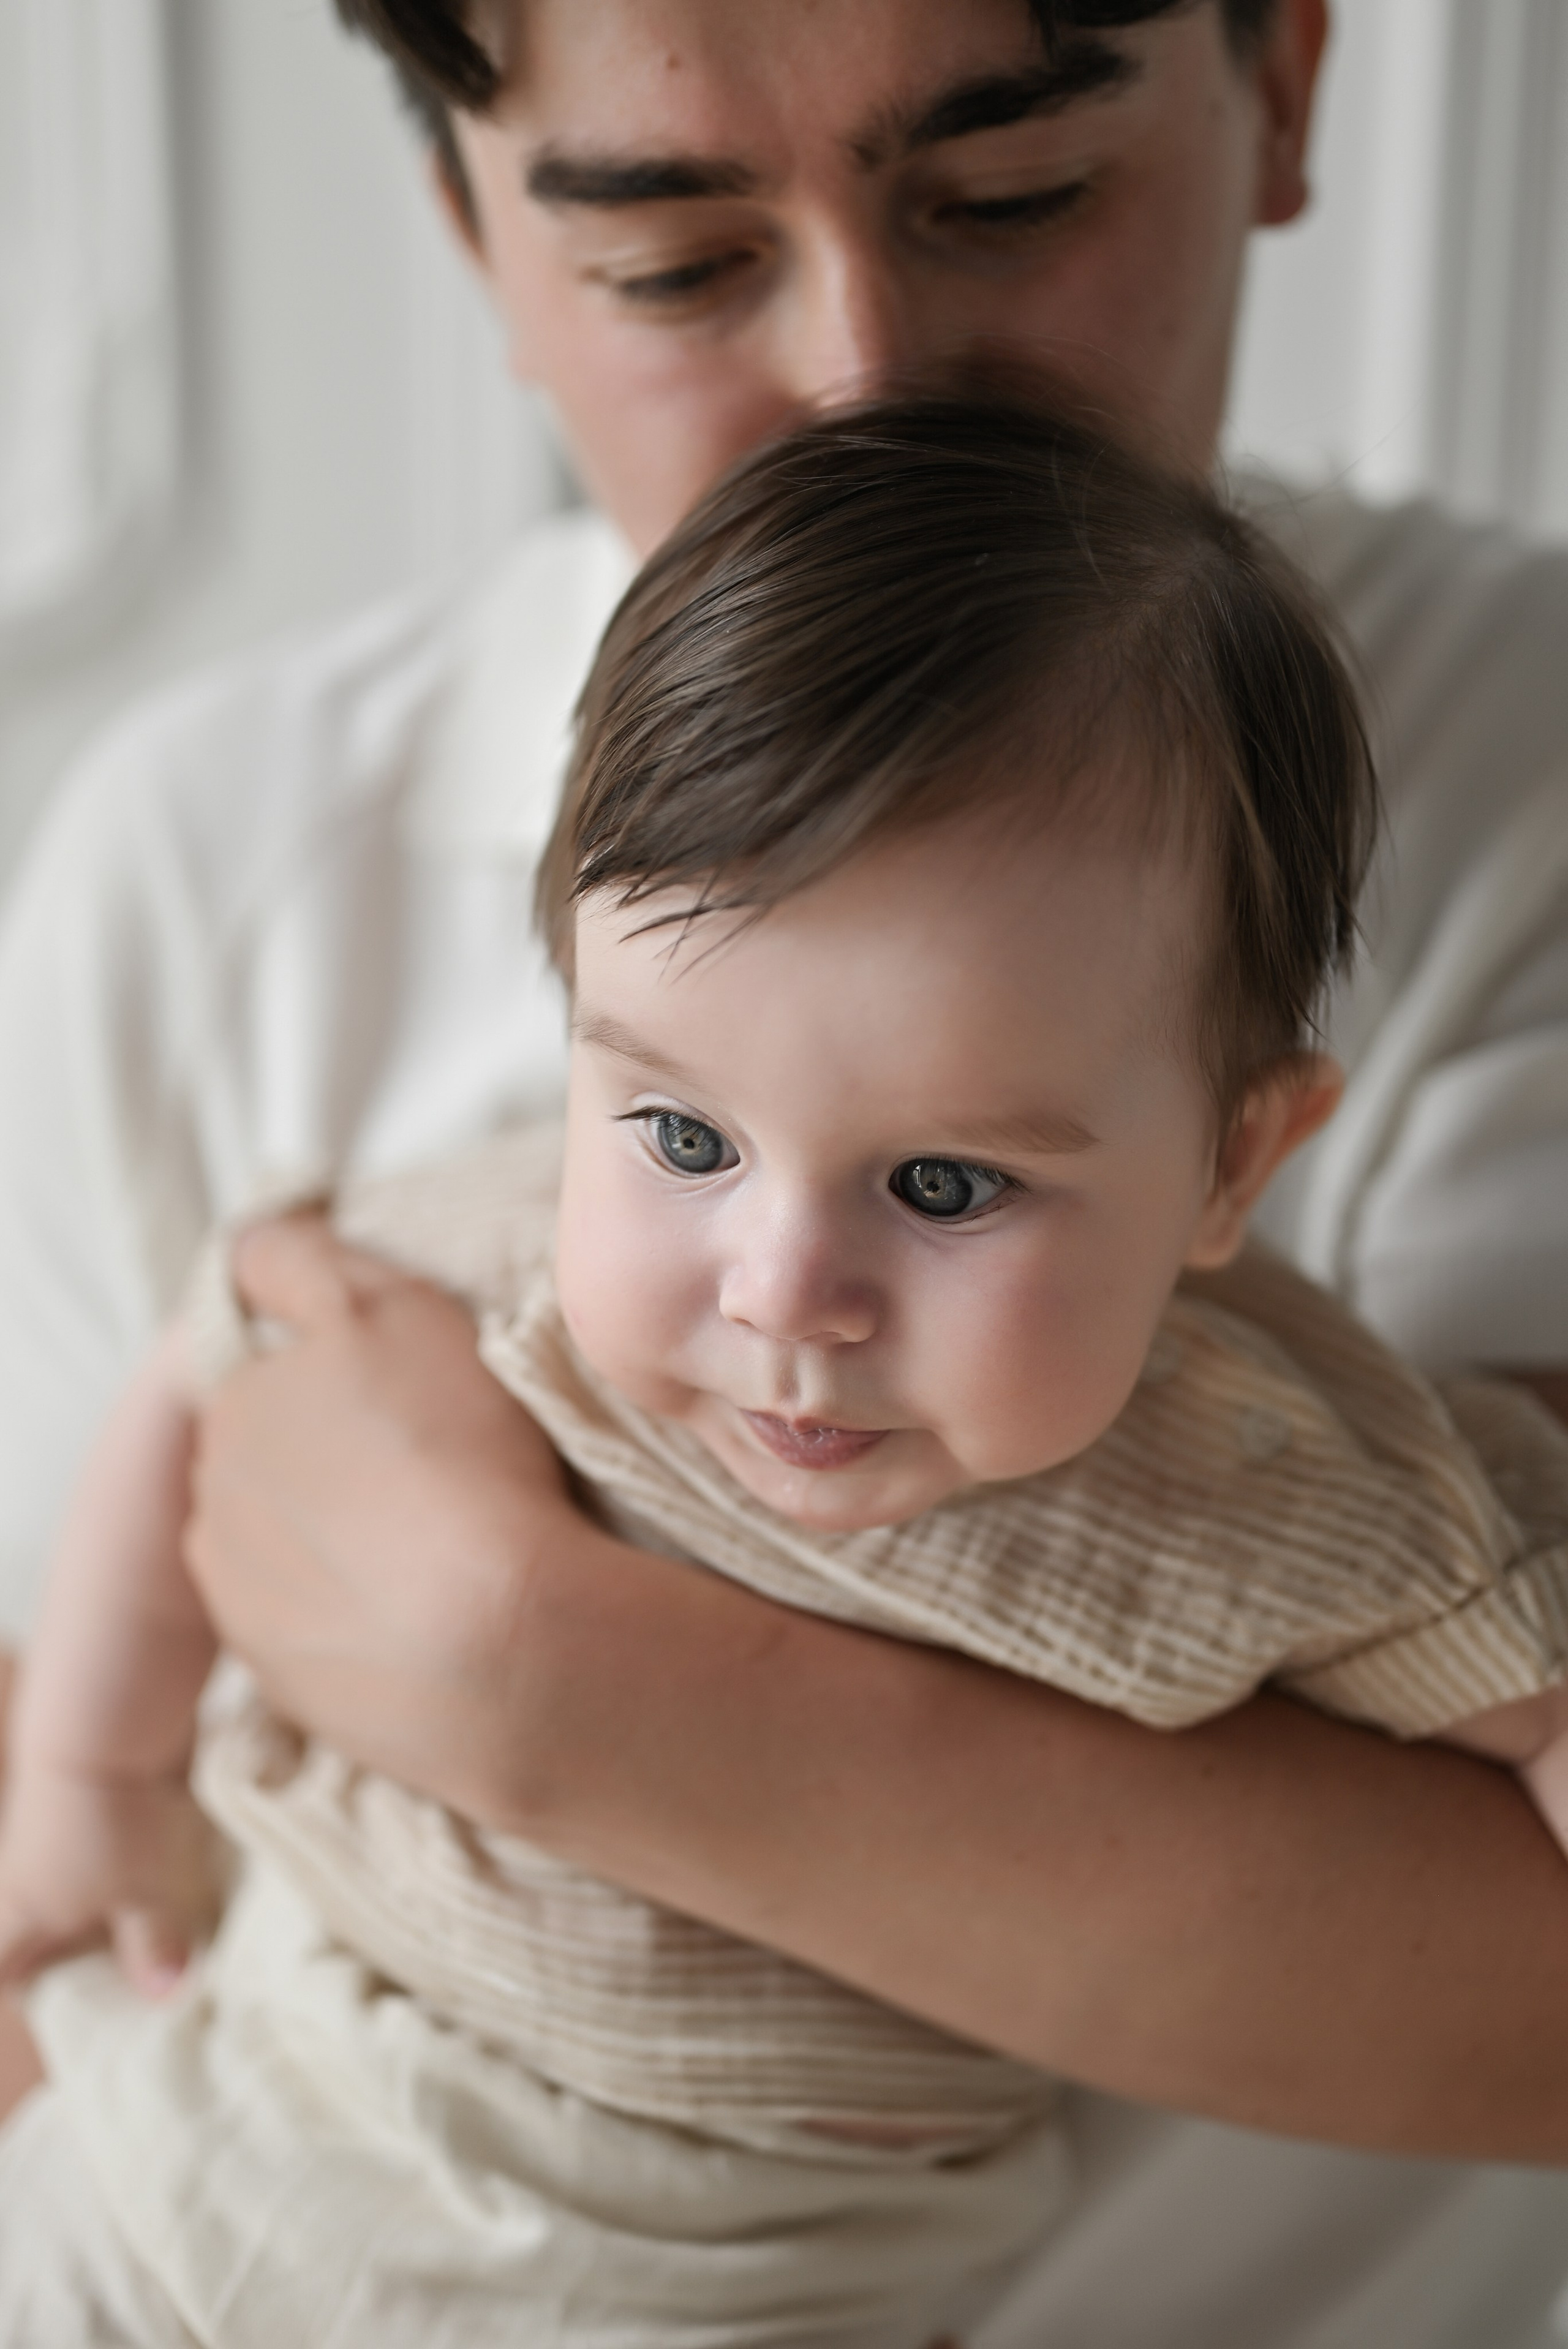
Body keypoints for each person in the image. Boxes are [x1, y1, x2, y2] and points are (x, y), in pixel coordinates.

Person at [1, 0, 1567, 2337]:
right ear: (476, 235)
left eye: (1014, 198)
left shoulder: (1528, 784)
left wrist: (523, 1667)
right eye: (675, 265)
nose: (867, 388)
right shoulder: (218, 867)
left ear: (1286, 85)